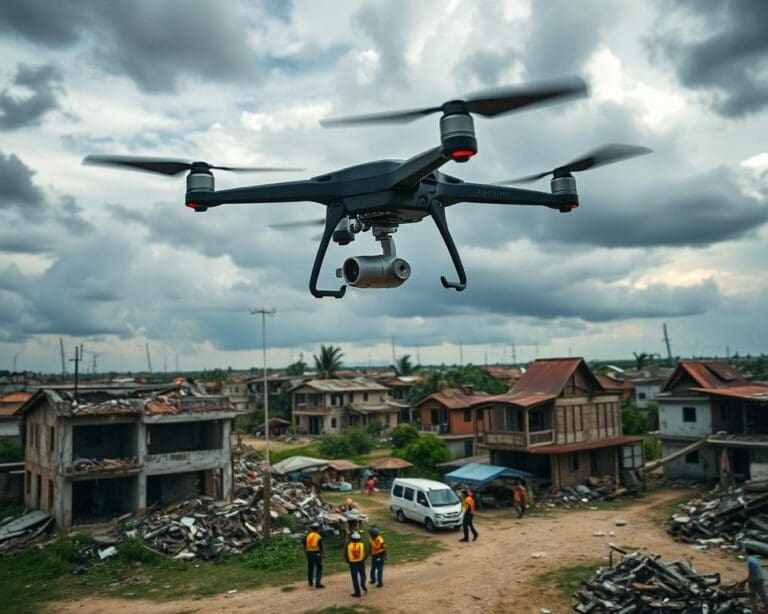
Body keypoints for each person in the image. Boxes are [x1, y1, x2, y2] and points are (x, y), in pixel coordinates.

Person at [344, 531, 368, 597]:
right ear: (359, 539)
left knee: (355, 579)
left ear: (352, 539)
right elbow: (365, 554)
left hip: (352, 564)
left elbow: (346, 556)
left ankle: (357, 593)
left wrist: (348, 562)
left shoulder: (348, 545)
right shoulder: (362, 545)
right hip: (361, 563)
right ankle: (363, 584)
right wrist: (364, 559)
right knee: (363, 575)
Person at [304, 521, 325, 589]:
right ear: (317, 529)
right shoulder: (318, 536)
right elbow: (320, 546)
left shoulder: (307, 535)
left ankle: (310, 582)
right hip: (316, 553)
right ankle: (318, 584)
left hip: (309, 553)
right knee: (319, 567)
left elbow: (304, 544)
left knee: (310, 568)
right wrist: (322, 553)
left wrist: (306, 552)